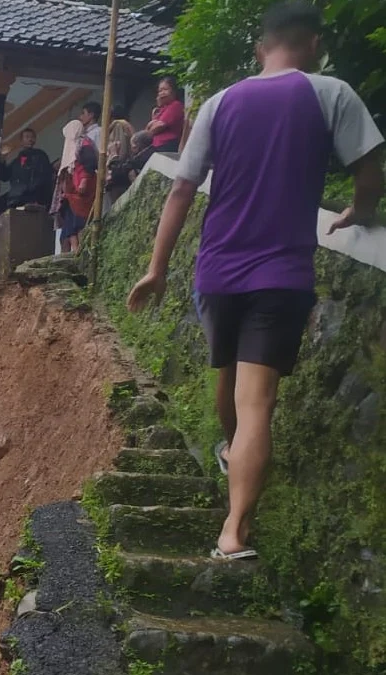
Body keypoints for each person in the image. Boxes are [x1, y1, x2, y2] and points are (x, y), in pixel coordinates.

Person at [126, 1, 384, 561]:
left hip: (216, 272)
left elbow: (180, 190)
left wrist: (155, 268)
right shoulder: (330, 93)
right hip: (280, 273)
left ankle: (229, 452)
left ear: (258, 47)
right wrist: (360, 212)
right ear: (313, 43)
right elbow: (370, 167)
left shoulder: (219, 104)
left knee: (229, 377)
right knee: (256, 404)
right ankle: (233, 533)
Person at [0, 128, 55, 212]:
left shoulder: (40, 156)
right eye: (27, 137)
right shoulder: (16, 162)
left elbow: (45, 176)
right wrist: (2, 160)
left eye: (32, 137)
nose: (30, 139)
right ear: (21, 141)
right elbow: (4, 176)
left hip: (34, 198)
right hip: (16, 200)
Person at [61, 138, 97, 254]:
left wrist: (84, 180)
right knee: (70, 223)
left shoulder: (83, 144)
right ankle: (75, 251)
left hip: (82, 191)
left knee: (80, 222)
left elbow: (90, 164)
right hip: (71, 191)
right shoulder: (70, 147)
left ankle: (83, 251)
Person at [146, 76, 185, 153]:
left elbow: (158, 127)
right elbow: (151, 125)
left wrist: (149, 130)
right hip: (156, 145)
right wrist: (159, 106)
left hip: (166, 145)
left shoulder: (175, 105)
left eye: (165, 89)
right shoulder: (163, 108)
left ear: (173, 91)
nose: (162, 93)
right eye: (160, 91)